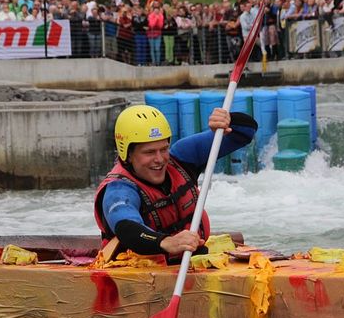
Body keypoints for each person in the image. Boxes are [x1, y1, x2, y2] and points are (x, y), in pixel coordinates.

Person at [93, 105, 257, 258]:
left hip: (192, 259)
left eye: (163, 149)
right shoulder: (119, 189)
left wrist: (227, 121)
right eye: (149, 152)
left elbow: (245, 132)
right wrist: (167, 242)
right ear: (127, 154)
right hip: (138, 269)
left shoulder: (181, 157)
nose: (160, 159)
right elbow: (126, 227)